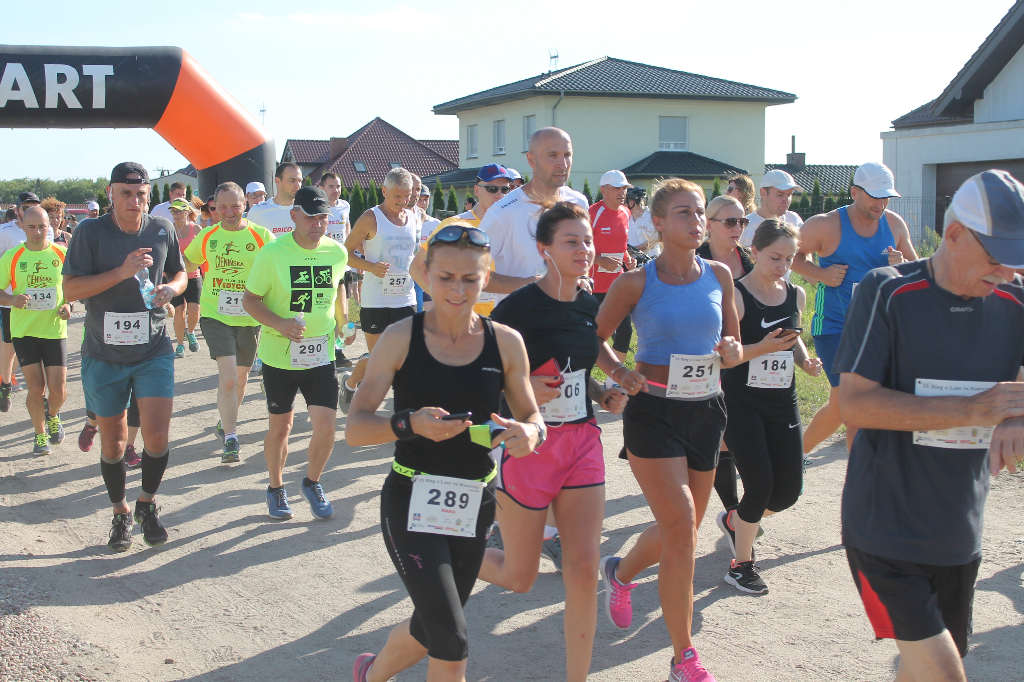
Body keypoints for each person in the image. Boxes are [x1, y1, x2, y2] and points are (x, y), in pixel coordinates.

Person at [836, 169, 1024, 682]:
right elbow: (853, 403)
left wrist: (1018, 412)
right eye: (997, 257)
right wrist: (973, 411)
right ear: (956, 234)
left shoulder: (1017, 302)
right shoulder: (888, 290)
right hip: (885, 529)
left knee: (923, 672)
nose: (1008, 272)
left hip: (958, 534)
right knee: (945, 673)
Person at [346, 222, 544, 682]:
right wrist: (408, 424)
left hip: (474, 502)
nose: (458, 290)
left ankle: (370, 675)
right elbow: (356, 429)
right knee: (451, 637)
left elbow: (534, 418)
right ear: (425, 275)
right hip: (412, 499)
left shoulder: (506, 342)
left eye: (470, 279)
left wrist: (531, 434)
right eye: (445, 278)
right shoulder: (401, 337)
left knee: (430, 622)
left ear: (487, 276)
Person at [595, 178, 743, 682]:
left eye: (700, 212)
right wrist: (618, 373)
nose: (696, 221)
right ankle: (684, 659)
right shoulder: (636, 282)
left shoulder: (720, 275)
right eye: (684, 212)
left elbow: (733, 344)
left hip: (705, 411)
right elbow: (593, 338)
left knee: (685, 530)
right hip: (653, 413)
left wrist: (732, 351)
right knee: (682, 526)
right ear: (657, 224)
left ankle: (621, 572)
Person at [481, 203, 631, 682]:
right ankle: (448, 545)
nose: (584, 250)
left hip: (582, 443)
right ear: (544, 249)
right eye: (572, 241)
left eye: (587, 241)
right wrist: (516, 390)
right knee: (519, 577)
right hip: (529, 449)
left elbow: (586, 362)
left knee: (584, 571)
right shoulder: (516, 309)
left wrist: (606, 389)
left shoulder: (591, 306)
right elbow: (484, 379)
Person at [62, 162, 186, 552]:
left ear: (150, 194)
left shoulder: (161, 229)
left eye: (141, 194)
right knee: (114, 445)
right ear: (111, 193)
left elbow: (182, 274)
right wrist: (122, 271)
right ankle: (120, 513)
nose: (135, 201)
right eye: (126, 194)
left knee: (157, 435)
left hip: (152, 350)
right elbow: (69, 290)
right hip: (104, 354)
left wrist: (170, 289)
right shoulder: (90, 232)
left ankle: (146, 504)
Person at [716, 219, 823, 594]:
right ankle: (741, 565)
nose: (783, 266)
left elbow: (791, 339)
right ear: (755, 251)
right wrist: (764, 347)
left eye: (790, 259)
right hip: (742, 401)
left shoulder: (796, 294)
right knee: (759, 485)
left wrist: (804, 359)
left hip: (783, 400)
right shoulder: (737, 296)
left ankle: (735, 520)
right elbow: (725, 358)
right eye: (775, 257)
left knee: (788, 492)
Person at [792, 161, 917, 454]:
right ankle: (846, 471)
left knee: (849, 405)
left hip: (879, 331)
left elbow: (919, 270)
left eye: (886, 196)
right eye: (875, 195)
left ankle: (795, 457)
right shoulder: (825, 224)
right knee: (848, 400)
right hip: (835, 328)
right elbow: (790, 256)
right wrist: (820, 274)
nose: (882, 203)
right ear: (855, 193)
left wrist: (903, 268)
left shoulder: (894, 224)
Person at [242, 185, 349, 519]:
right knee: (281, 428)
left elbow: (338, 287)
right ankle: (275, 488)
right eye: (310, 216)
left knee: (327, 427)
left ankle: (312, 481)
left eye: (323, 217)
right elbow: (250, 300)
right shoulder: (273, 253)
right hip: (280, 356)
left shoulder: (337, 252)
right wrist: (279, 323)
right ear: (294, 216)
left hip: (321, 355)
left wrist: (342, 322)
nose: (318, 223)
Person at [183, 182, 275, 463]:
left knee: (242, 379)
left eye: (235, 205)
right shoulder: (209, 235)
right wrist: (189, 288)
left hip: (250, 316)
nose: (229, 211)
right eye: (222, 207)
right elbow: (188, 261)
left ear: (245, 204)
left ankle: (225, 423)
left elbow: (276, 271)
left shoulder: (262, 237)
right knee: (229, 377)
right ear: (214, 208)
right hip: (215, 314)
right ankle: (232, 439)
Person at [478, 128, 589, 308]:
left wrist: (582, 279)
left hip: (568, 322)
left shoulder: (578, 202)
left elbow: (581, 256)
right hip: (520, 329)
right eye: (552, 155)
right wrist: (530, 286)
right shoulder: (504, 212)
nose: (562, 163)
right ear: (531, 159)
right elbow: (471, 272)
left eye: (567, 155)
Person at [341, 168, 420, 404]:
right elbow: (345, 253)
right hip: (376, 300)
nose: (403, 201)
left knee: (407, 358)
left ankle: (404, 407)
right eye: (397, 196)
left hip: (405, 298)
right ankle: (350, 383)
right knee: (379, 359)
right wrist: (370, 266)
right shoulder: (370, 217)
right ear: (384, 191)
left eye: (407, 196)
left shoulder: (414, 217)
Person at [696, 195, 755, 512]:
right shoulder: (696, 261)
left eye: (742, 221)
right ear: (709, 225)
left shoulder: (748, 261)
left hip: (747, 357)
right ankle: (733, 512)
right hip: (709, 357)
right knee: (720, 433)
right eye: (730, 221)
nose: (738, 228)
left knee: (737, 432)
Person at [0, 205, 73, 454]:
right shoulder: (12, 257)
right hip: (24, 331)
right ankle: (40, 435)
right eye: (31, 227)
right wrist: (11, 300)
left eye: (42, 226)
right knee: (35, 387)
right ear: (22, 226)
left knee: (59, 389)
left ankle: (52, 414)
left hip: (54, 330)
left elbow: (74, 288)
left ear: (50, 227)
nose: (37, 232)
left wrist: (69, 305)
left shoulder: (62, 254)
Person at [410, 163, 514, 318]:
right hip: (462, 321)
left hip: (505, 318)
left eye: (505, 189)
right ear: (477, 190)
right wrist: (444, 300)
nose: (500, 194)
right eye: (492, 189)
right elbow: (416, 268)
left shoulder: (514, 224)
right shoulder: (454, 224)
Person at [0, 192, 53, 411]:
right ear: (18, 209)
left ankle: (45, 398)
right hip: (12, 302)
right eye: (25, 206)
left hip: (43, 304)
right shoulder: (5, 232)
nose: (29, 208)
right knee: (9, 347)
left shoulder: (45, 230)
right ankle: (5, 383)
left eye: (34, 205)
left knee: (41, 348)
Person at [590, 170, 636, 362]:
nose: (622, 192)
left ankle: (613, 380)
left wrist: (627, 259)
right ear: (603, 190)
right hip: (592, 287)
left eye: (624, 188)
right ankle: (585, 377)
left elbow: (620, 244)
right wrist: (600, 261)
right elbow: (577, 247)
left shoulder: (626, 212)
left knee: (625, 331)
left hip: (616, 284)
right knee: (593, 336)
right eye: (617, 188)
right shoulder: (593, 213)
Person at [168, 199, 203, 359]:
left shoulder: (196, 229)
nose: (175, 214)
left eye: (179, 211)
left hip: (193, 276)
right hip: (174, 276)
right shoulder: (169, 229)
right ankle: (180, 345)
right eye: (173, 211)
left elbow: (203, 253)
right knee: (179, 312)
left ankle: (190, 332)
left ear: (187, 212)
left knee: (195, 311)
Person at [738, 170, 804, 248]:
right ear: (763, 193)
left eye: (789, 195)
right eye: (780, 195)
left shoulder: (794, 219)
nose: (786, 200)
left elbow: (805, 254)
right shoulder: (745, 225)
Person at [246, 163, 303, 236]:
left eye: (300, 181)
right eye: (292, 180)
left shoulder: (306, 211)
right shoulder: (257, 211)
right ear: (277, 181)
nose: (298, 185)